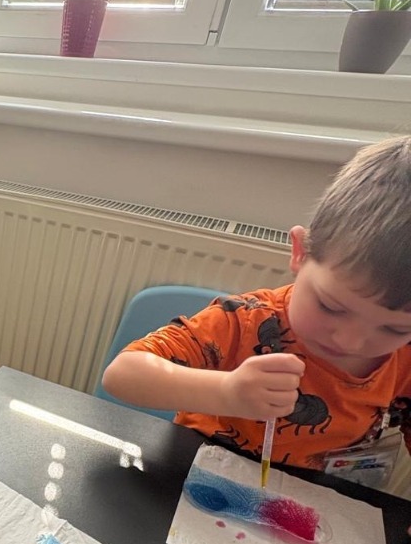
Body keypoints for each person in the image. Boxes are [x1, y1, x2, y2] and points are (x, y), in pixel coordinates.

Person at [101, 136, 411, 491]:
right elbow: (123, 374)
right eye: (331, 306)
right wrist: (227, 392)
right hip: (192, 487)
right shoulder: (243, 321)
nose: (352, 341)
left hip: (309, 505)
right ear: (300, 253)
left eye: (394, 329)